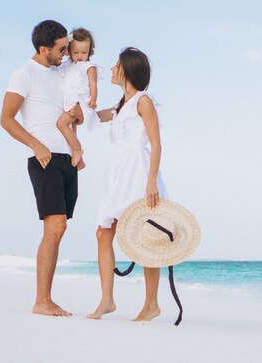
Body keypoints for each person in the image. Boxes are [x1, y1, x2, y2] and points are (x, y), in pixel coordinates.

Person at [0, 20, 84, 317]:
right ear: (43, 48)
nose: (65, 53)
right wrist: (37, 146)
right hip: (44, 159)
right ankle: (42, 301)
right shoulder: (23, 74)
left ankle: (46, 298)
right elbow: (7, 119)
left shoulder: (60, 73)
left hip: (66, 159)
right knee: (55, 225)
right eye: (61, 49)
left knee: (59, 229)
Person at [88, 47, 167, 321]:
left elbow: (156, 143)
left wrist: (152, 181)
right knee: (103, 232)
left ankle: (151, 304)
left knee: (145, 236)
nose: (111, 69)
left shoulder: (143, 101)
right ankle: (107, 300)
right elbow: (93, 117)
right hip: (116, 172)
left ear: (128, 70)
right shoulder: (122, 105)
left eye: (115, 65)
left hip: (137, 170)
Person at [56, 27, 99, 167]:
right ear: (69, 50)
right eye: (76, 52)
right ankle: (80, 160)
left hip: (78, 101)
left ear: (90, 51)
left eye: (84, 52)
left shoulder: (88, 66)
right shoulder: (67, 65)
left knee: (61, 124)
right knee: (73, 130)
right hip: (69, 101)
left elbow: (93, 83)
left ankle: (77, 149)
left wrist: (93, 99)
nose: (80, 55)